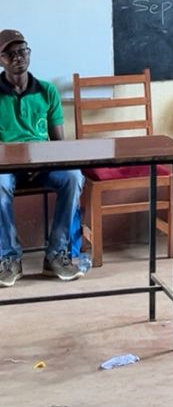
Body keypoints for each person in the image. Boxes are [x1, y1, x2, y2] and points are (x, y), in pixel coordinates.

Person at [0, 30, 91, 287]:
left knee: (73, 176)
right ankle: (9, 258)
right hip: (6, 168)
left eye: (22, 51)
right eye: (9, 53)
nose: (18, 57)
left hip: (42, 165)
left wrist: (45, 162)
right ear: (0, 60)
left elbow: (58, 143)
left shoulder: (47, 91)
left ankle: (56, 255)